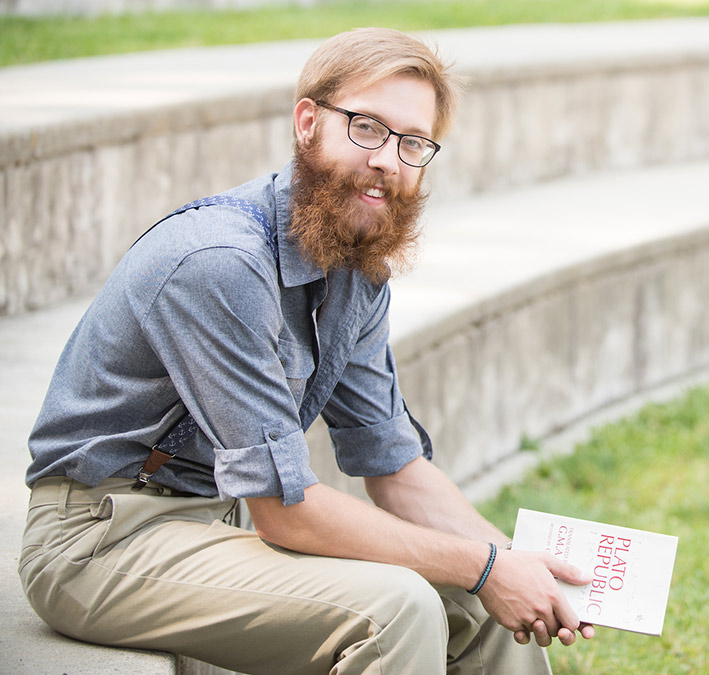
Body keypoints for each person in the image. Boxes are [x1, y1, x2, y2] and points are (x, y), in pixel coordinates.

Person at [19, 27, 593, 675]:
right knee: (398, 605)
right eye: (368, 128)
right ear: (308, 122)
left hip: (211, 527)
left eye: (412, 143)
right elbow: (284, 510)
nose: (388, 160)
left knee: (476, 602)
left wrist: (511, 558)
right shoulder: (223, 262)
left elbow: (395, 465)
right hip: (100, 540)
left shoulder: (358, 265)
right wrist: (486, 565)